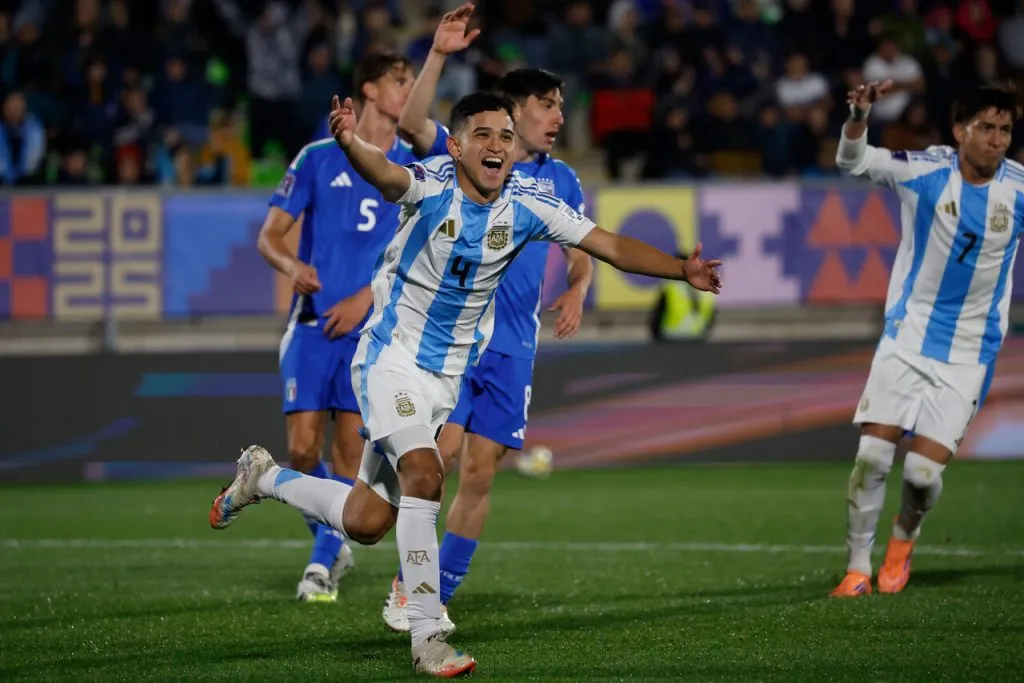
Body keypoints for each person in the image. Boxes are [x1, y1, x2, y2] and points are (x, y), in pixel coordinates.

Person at [211, 90, 722, 676]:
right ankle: (427, 633)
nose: (497, 145)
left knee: (367, 521)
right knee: (426, 473)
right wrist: (352, 143)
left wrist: (679, 267)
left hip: (443, 379)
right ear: (456, 146)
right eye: (482, 135)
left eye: (505, 135)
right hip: (389, 358)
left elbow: (607, 245)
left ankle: (264, 477)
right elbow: (386, 177)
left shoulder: (530, 203)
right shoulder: (431, 185)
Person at [381, 2, 594, 633]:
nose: (558, 117)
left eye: (559, 106)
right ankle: (406, 581)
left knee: (480, 472)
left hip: (512, 347)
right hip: (451, 340)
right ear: (515, 110)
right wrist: (440, 54)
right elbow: (413, 121)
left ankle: (437, 589)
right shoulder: (464, 159)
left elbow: (583, 249)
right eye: (548, 104)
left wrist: (579, 288)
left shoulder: (561, 181)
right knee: (440, 457)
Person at [255, 50, 449, 602]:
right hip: (314, 325)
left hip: (372, 334)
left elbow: (421, 250)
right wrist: (294, 266)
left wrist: (368, 297)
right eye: (398, 80)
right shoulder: (318, 157)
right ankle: (332, 540)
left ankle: (321, 564)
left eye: (413, 82)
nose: (407, 90)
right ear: (366, 89)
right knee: (299, 449)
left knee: (347, 457)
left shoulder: (415, 165)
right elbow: (270, 234)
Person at [831, 81, 1022, 597]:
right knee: (872, 457)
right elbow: (852, 161)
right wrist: (858, 114)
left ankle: (902, 544)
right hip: (907, 340)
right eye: (987, 128)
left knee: (919, 475)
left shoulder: (1019, 189)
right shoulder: (925, 170)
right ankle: (856, 569)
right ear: (961, 131)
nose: (998, 139)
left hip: (968, 356)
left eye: (1005, 129)